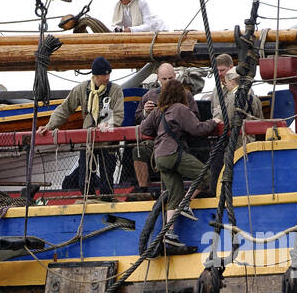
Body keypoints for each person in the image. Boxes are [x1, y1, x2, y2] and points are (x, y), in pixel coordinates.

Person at [139, 77, 217, 245]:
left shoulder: (158, 111)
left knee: (174, 195)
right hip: (173, 153)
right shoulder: (180, 109)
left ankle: (169, 233)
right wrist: (213, 122)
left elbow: (144, 129)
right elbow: (197, 129)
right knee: (205, 175)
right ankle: (186, 203)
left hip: (159, 157)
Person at [45, 57, 125, 197]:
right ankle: (89, 202)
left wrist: (109, 124)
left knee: (107, 181)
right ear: (95, 75)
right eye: (103, 75)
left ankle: (107, 201)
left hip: (108, 141)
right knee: (84, 181)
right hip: (87, 142)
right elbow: (65, 109)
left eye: (108, 74)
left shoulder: (115, 90)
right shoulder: (82, 89)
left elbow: (118, 114)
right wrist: (49, 126)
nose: (107, 78)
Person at [132, 63, 177, 193]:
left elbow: (194, 117)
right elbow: (137, 119)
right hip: (155, 140)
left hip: (177, 141)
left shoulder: (185, 95)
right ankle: (143, 189)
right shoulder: (149, 96)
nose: (168, 82)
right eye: (164, 79)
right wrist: (145, 112)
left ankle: (171, 189)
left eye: (170, 78)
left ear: (175, 76)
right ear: (158, 78)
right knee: (138, 151)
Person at [207, 54, 236, 121]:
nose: (219, 74)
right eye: (217, 71)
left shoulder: (243, 89)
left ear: (231, 68)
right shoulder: (216, 91)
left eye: (222, 70)